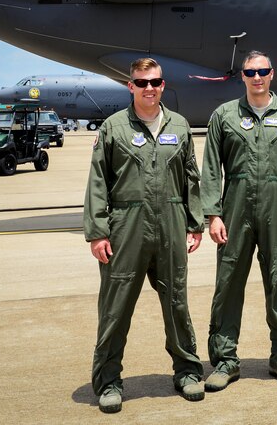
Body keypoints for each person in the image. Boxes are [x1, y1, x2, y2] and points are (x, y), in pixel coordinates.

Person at [84, 57, 205, 413]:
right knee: (115, 308)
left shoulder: (179, 126)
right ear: (130, 86)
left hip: (170, 222)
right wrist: (97, 232)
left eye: (155, 82)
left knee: (177, 304)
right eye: (141, 82)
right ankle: (108, 381)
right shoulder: (113, 127)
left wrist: (194, 223)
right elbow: (97, 182)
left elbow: (191, 179)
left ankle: (186, 371)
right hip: (126, 226)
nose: (149, 88)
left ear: (163, 85)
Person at [201, 50, 277, 392]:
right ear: (243, 76)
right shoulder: (225, 115)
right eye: (250, 72)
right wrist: (213, 215)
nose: (257, 77)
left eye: (262, 71)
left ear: (272, 74)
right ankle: (224, 360)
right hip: (236, 208)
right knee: (228, 283)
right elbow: (210, 169)